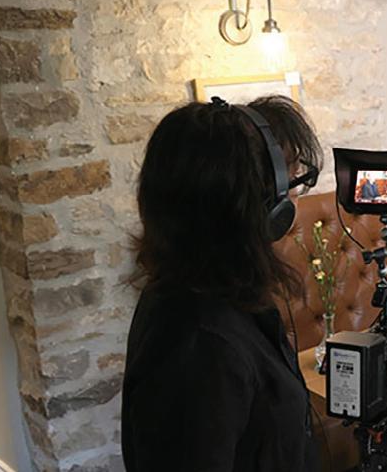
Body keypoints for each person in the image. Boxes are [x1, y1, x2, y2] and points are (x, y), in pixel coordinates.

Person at [122, 95, 324, 471]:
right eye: (288, 184)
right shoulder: (201, 346)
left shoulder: (224, 294)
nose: (293, 198)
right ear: (249, 205)